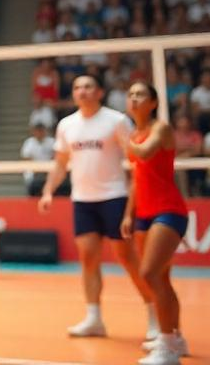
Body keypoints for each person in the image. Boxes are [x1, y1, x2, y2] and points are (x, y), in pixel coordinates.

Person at [39, 75, 154, 339]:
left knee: (128, 259)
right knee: (88, 258)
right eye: (77, 87)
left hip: (114, 196)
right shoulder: (66, 125)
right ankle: (94, 319)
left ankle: (154, 315)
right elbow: (60, 162)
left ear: (100, 92)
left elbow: (136, 158)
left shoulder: (116, 120)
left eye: (88, 86)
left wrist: (138, 195)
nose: (82, 91)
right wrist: (48, 191)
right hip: (83, 200)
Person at [119, 83, 190, 364]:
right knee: (161, 279)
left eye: (140, 95)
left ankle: (168, 349)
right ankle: (175, 337)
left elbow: (146, 153)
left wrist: (121, 139)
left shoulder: (160, 129)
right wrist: (128, 213)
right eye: (130, 94)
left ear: (153, 102)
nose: (134, 98)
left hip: (169, 210)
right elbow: (137, 179)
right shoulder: (134, 135)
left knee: (148, 273)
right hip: (144, 214)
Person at [21, 123, 54, 194]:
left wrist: (46, 169)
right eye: (38, 131)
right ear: (34, 132)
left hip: (48, 172)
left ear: (45, 131)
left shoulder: (51, 142)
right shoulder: (29, 143)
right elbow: (26, 158)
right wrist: (37, 169)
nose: (40, 133)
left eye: (41, 131)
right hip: (33, 173)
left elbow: (55, 156)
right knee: (32, 190)